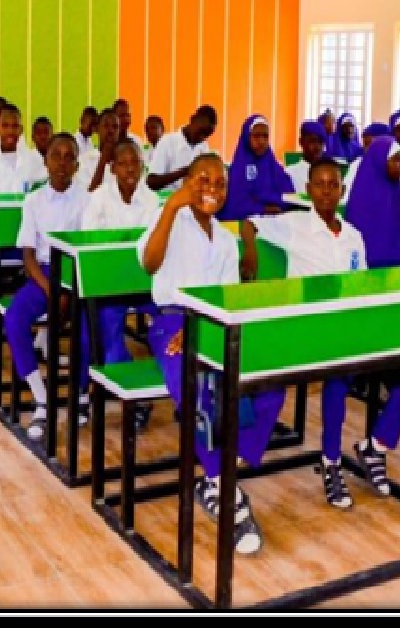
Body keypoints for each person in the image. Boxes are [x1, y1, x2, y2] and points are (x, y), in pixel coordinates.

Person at [137, 152, 281, 554]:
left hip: (211, 325)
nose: (212, 190)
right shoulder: (169, 219)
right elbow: (150, 263)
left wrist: (202, 327)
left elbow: (226, 298)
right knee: (201, 389)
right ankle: (230, 497)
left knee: (271, 387)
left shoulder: (227, 240)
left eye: (220, 184)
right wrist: (171, 205)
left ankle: (217, 478)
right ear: (187, 181)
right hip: (171, 324)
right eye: (203, 180)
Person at [240, 157, 366, 508]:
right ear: (308, 190)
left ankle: (331, 462)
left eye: (333, 184)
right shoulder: (294, 225)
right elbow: (250, 223)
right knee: (272, 389)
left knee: (340, 381)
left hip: (339, 327)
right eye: (320, 184)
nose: (327, 190)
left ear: (342, 190)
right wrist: (250, 252)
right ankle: (236, 458)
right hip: (301, 326)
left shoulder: (354, 236)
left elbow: (362, 285)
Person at [341, 135, 400, 497]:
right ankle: (334, 455)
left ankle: (376, 445)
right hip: (364, 311)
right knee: (343, 377)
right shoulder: (361, 206)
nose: (399, 167)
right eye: (393, 161)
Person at [2, 133, 90, 441]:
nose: (62, 163)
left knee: (87, 325)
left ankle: (79, 393)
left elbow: (87, 252)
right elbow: (27, 254)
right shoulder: (34, 200)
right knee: (13, 319)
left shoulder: (88, 200)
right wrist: (51, 289)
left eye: (69, 157)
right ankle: (41, 396)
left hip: (77, 273)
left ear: (78, 164)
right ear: (45, 161)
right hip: (43, 273)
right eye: (56, 155)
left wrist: (68, 289)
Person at [80, 138, 162, 428]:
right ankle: (136, 396)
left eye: (135, 163)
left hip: (146, 283)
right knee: (107, 330)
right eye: (123, 164)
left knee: (173, 320)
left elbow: (156, 244)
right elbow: (91, 244)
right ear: (112, 168)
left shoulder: (152, 200)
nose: (130, 169)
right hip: (110, 285)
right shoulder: (98, 199)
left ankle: (177, 385)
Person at [0, 103, 47, 330]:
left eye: (15, 126)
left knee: (52, 260)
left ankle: (43, 332)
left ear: (21, 130)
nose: (10, 131)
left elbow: (45, 185)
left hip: (23, 231)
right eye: (5, 126)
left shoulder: (31, 159)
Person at [218, 114, 294, 221]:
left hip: (276, 223)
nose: (261, 141)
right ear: (246, 137)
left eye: (265, 136)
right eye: (256, 136)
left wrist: (274, 205)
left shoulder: (273, 166)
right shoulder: (238, 170)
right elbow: (235, 205)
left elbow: (289, 195)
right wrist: (262, 208)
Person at [145, 105, 217, 192]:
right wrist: (185, 171)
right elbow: (152, 182)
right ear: (193, 119)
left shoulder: (203, 147)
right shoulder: (167, 142)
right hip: (167, 201)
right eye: (201, 131)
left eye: (207, 135)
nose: (202, 138)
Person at [340, 122, 389, 207]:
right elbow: (345, 197)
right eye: (365, 145)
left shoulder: (392, 166)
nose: (367, 150)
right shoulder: (357, 164)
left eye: (371, 145)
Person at [75, 106, 120, 193]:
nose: (111, 131)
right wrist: (102, 161)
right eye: (106, 126)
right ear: (97, 129)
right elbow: (88, 196)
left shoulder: (126, 161)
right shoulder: (85, 161)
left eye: (115, 127)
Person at [285, 119, 329, 194]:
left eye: (320, 142)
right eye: (312, 141)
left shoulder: (329, 174)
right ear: (301, 142)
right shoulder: (290, 173)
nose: (317, 147)